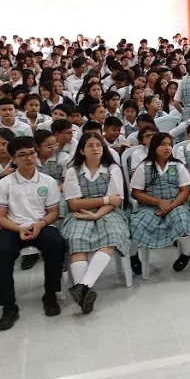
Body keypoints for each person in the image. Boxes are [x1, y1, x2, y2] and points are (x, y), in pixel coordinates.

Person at [0, 135, 67, 331]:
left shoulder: (47, 182)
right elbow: (0, 217)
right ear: (13, 159)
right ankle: (9, 306)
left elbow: (53, 213)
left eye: (31, 153)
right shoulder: (4, 184)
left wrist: (40, 224)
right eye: (22, 155)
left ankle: (50, 294)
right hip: (11, 227)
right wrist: (19, 228)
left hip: (41, 224)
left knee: (57, 244)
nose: (29, 158)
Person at [62, 133, 130, 314]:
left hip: (109, 213)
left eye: (98, 145)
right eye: (90, 146)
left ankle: (83, 286)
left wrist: (97, 213)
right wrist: (106, 199)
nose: (95, 149)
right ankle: (84, 293)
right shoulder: (72, 171)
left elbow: (116, 202)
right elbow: (74, 204)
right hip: (81, 213)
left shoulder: (112, 169)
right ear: (82, 150)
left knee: (112, 235)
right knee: (76, 239)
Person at [130, 132, 190, 273]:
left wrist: (170, 206)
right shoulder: (144, 167)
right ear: (154, 147)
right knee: (136, 224)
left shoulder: (177, 166)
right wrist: (158, 202)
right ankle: (134, 256)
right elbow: (136, 193)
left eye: (169, 144)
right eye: (162, 144)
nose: (167, 148)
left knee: (182, 220)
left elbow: (185, 191)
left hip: (176, 204)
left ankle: (186, 253)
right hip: (150, 206)